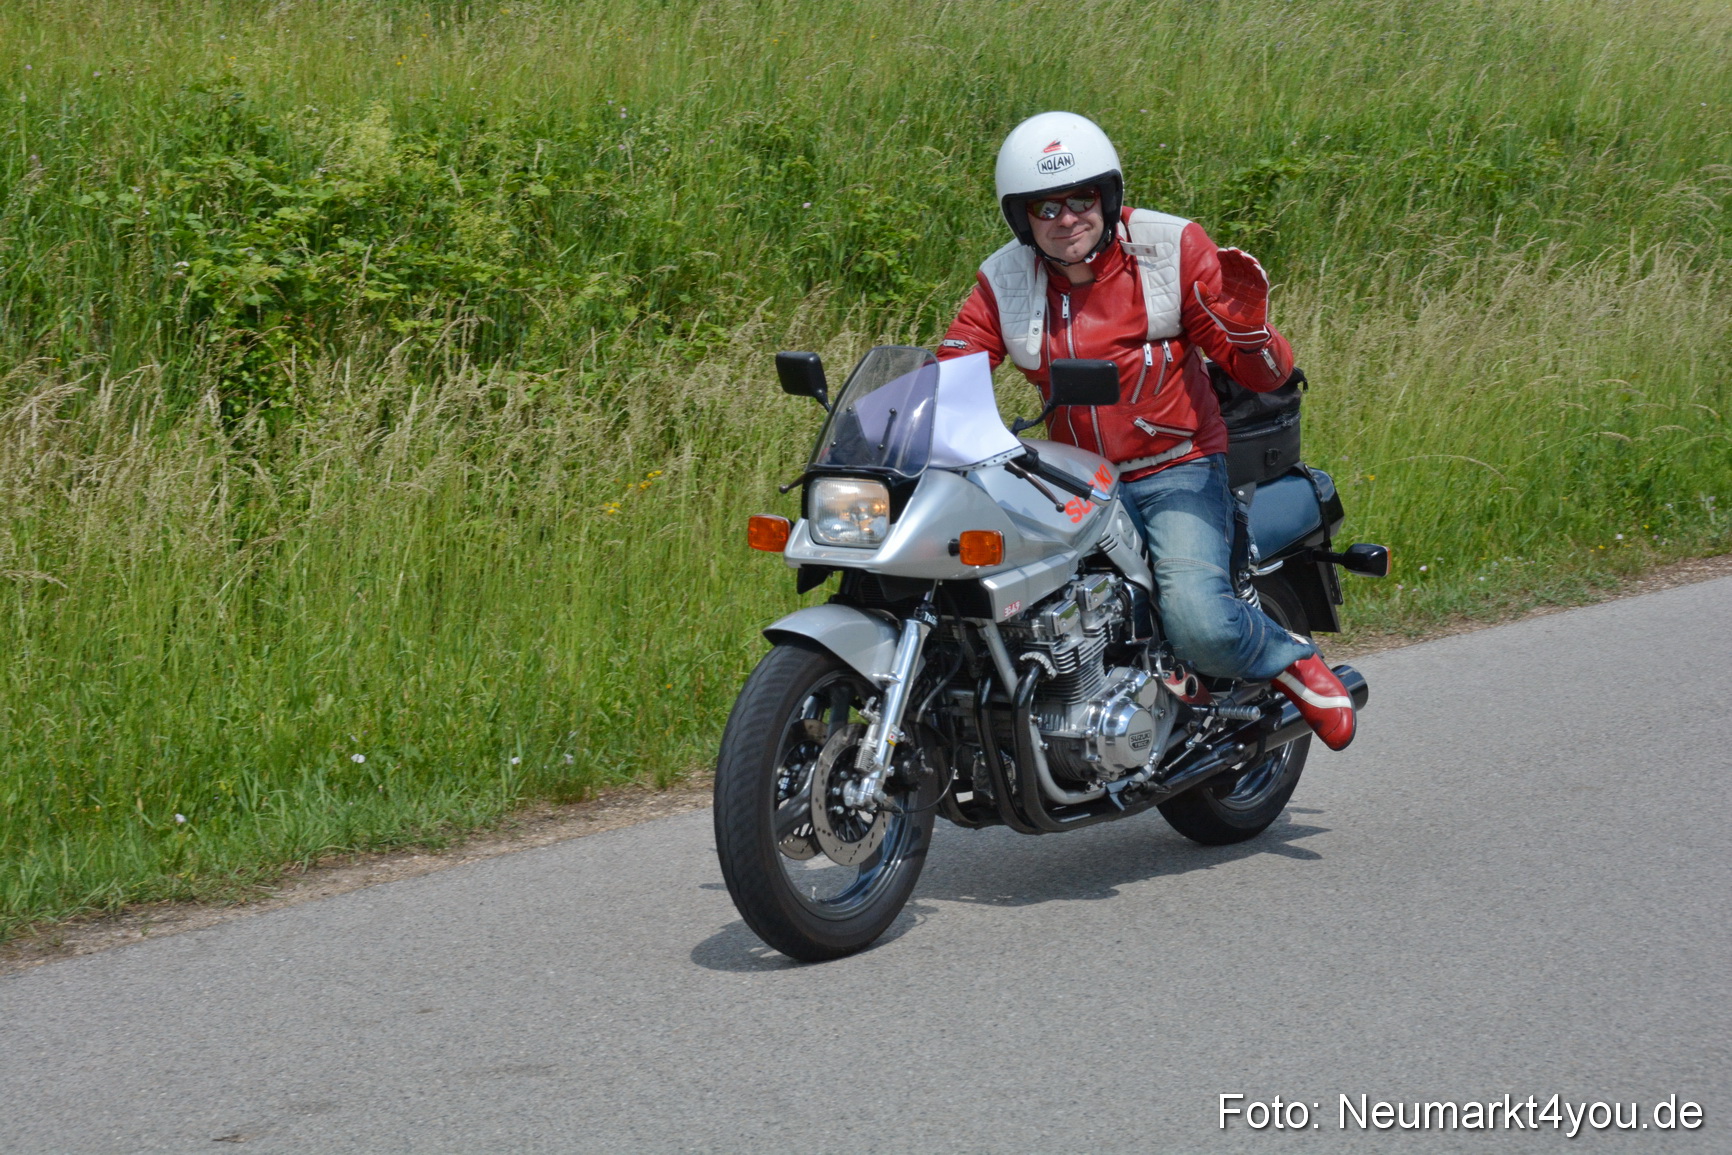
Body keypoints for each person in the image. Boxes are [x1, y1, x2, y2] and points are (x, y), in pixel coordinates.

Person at [936, 111, 1355, 750]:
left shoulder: (1170, 249)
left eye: (1082, 199)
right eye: (1046, 206)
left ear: (1107, 198)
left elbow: (1262, 373)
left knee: (1199, 623)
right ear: (1021, 217)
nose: (1067, 218)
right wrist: (898, 421)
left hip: (1176, 464)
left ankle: (1290, 660)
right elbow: (955, 364)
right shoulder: (1005, 280)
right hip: (1069, 479)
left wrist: (1250, 333)